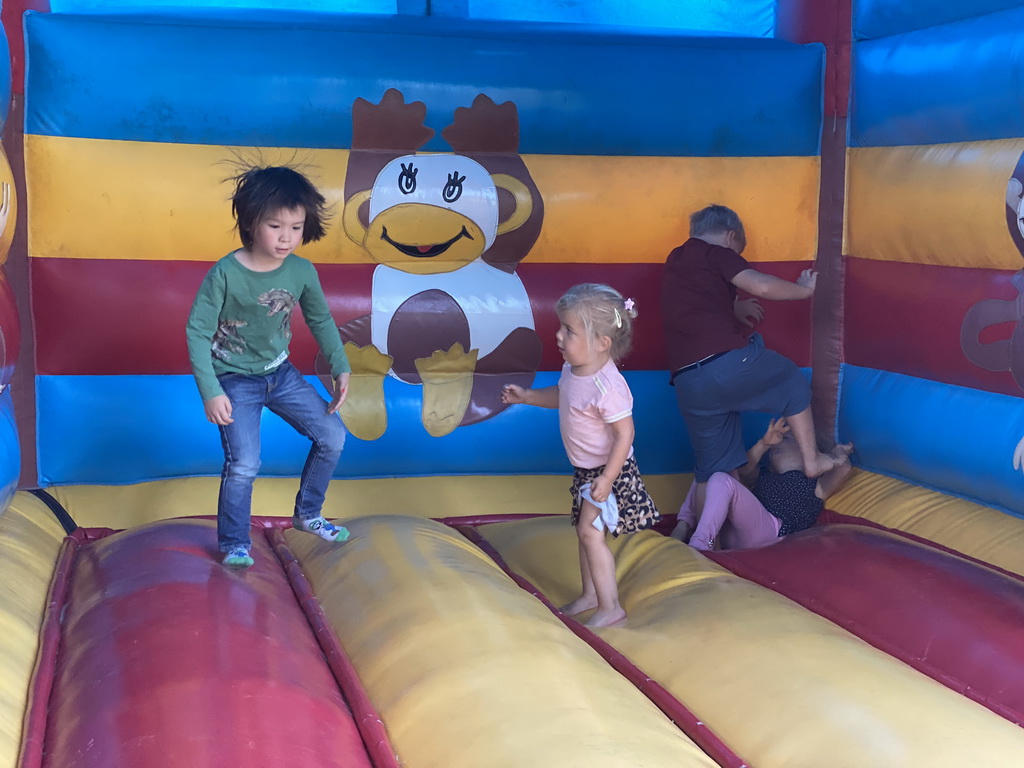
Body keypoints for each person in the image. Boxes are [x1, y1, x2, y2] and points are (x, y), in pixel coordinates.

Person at [186, 166, 352, 569]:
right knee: (244, 464)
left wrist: (340, 365)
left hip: (280, 374)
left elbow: (321, 320)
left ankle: (308, 514)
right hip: (233, 378)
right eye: (275, 225)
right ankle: (235, 543)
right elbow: (196, 331)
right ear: (250, 222)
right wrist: (211, 390)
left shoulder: (301, 271)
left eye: (296, 227)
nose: (286, 237)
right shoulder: (225, 274)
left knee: (333, 437)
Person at [662, 203, 837, 522]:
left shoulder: (676, 258)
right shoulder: (717, 252)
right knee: (789, 377)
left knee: (712, 473)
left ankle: (707, 545)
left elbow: (695, 303)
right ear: (730, 236)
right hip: (724, 364)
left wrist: (733, 310)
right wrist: (804, 290)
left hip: (687, 381)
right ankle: (812, 459)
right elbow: (763, 285)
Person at [502, 284, 660, 627]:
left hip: (611, 471)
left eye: (569, 330)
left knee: (589, 531)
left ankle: (610, 607)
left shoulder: (608, 387)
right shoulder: (572, 370)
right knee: (584, 530)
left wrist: (607, 478)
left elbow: (625, 433)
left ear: (602, 342)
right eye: (561, 327)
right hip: (588, 471)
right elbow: (563, 396)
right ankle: (591, 595)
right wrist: (528, 397)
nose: (558, 336)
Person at [671, 418, 854, 549]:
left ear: (808, 453)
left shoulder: (813, 485)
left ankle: (699, 545)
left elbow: (844, 469)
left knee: (720, 479)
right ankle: (683, 527)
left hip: (769, 534)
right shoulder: (764, 475)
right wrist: (764, 444)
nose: (778, 444)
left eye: (787, 439)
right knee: (714, 466)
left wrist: (836, 454)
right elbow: (743, 471)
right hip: (729, 532)